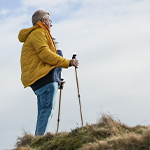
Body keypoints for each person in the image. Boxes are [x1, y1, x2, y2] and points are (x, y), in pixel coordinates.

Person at [18, 10, 78, 136]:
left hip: (42, 78)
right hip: (44, 79)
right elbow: (45, 55)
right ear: (43, 21)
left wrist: (57, 78)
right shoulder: (39, 33)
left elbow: (43, 60)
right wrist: (68, 62)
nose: (51, 24)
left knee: (43, 110)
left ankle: (37, 139)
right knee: (47, 109)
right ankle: (39, 140)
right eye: (50, 21)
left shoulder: (40, 34)